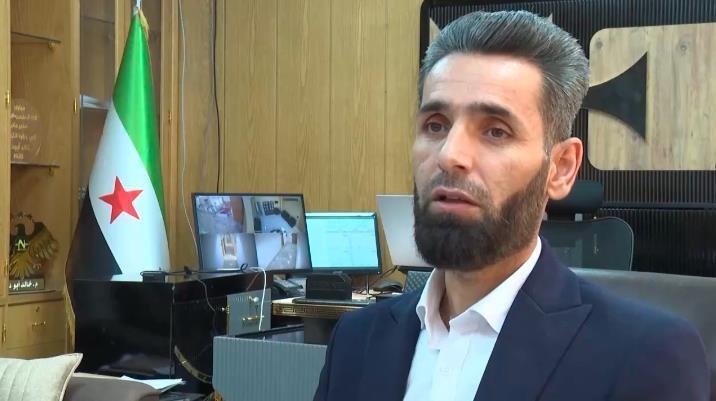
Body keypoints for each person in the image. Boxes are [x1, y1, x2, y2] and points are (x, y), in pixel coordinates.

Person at [313, 10, 709, 401]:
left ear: (561, 168)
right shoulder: (356, 341)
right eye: (435, 125)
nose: (449, 155)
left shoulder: (644, 357)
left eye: (496, 131)